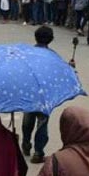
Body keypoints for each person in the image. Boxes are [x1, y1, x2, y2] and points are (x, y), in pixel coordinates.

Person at [22, 26, 54, 164]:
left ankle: (25, 143)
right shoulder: (52, 57)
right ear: (51, 39)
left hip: (29, 93)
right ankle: (38, 152)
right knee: (42, 124)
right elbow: (58, 73)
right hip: (44, 97)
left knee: (27, 121)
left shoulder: (27, 54)